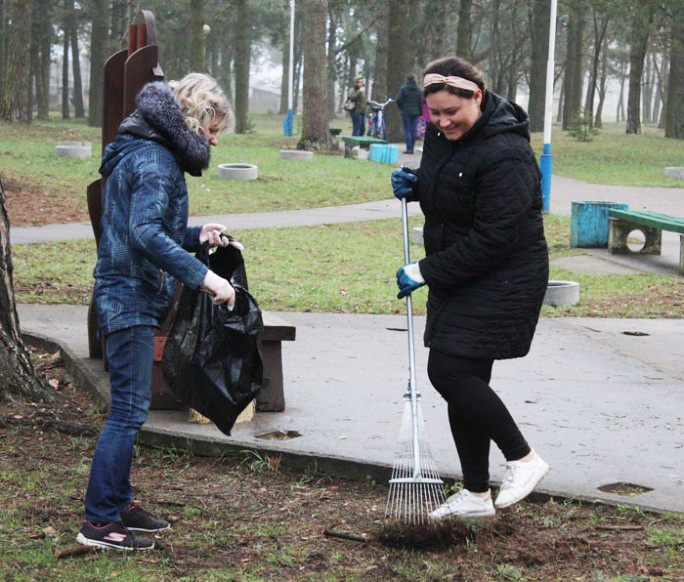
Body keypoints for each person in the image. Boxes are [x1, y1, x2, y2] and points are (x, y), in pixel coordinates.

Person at [77, 73, 240, 550]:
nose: (213, 140)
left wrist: (196, 235)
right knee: (127, 412)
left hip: (128, 291)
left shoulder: (145, 150)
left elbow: (146, 226)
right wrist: (204, 276)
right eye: (212, 129)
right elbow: (145, 235)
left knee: (131, 410)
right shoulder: (154, 159)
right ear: (195, 118)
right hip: (129, 295)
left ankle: (119, 500)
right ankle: (99, 522)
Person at [391, 56, 550, 519]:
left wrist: (425, 270)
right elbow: (458, 189)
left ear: (476, 97)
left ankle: (523, 458)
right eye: (433, 114)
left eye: (451, 113)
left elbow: (495, 236)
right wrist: (419, 185)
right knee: (465, 380)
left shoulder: (508, 153)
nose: (442, 122)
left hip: (504, 275)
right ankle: (477, 495)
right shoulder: (442, 139)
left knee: (449, 371)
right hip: (462, 270)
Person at [395, 73, 423, 154]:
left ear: (407, 79)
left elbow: (398, 100)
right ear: (414, 79)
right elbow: (420, 102)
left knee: (407, 130)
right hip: (415, 113)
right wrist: (420, 112)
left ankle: (408, 149)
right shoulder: (418, 90)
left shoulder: (403, 89)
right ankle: (412, 148)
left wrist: (402, 107)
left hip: (406, 112)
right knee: (413, 130)